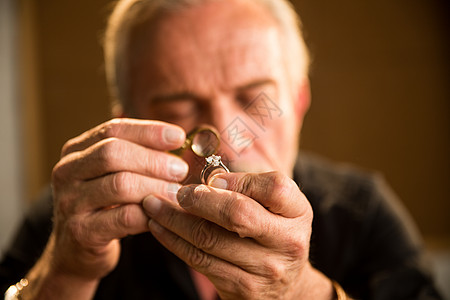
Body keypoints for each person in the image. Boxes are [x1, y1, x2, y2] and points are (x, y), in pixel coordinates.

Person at [0, 0, 443, 299]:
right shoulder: (74, 223)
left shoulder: (362, 214)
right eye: (178, 107)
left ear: (299, 101)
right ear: (130, 121)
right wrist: (63, 276)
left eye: (256, 101)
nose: (228, 138)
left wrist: (302, 291)